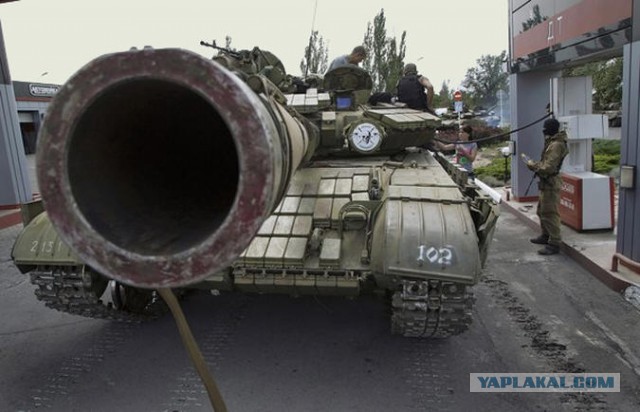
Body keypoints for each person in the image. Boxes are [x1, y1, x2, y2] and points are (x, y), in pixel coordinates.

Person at [521, 117, 569, 256]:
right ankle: (545, 235)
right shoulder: (552, 142)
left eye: (546, 129)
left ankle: (554, 243)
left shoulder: (556, 145)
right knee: (542, 210)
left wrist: (532, 165)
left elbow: (548, 167)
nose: (544, 132)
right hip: (546, 182)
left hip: (551, 182)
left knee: (550, 213)